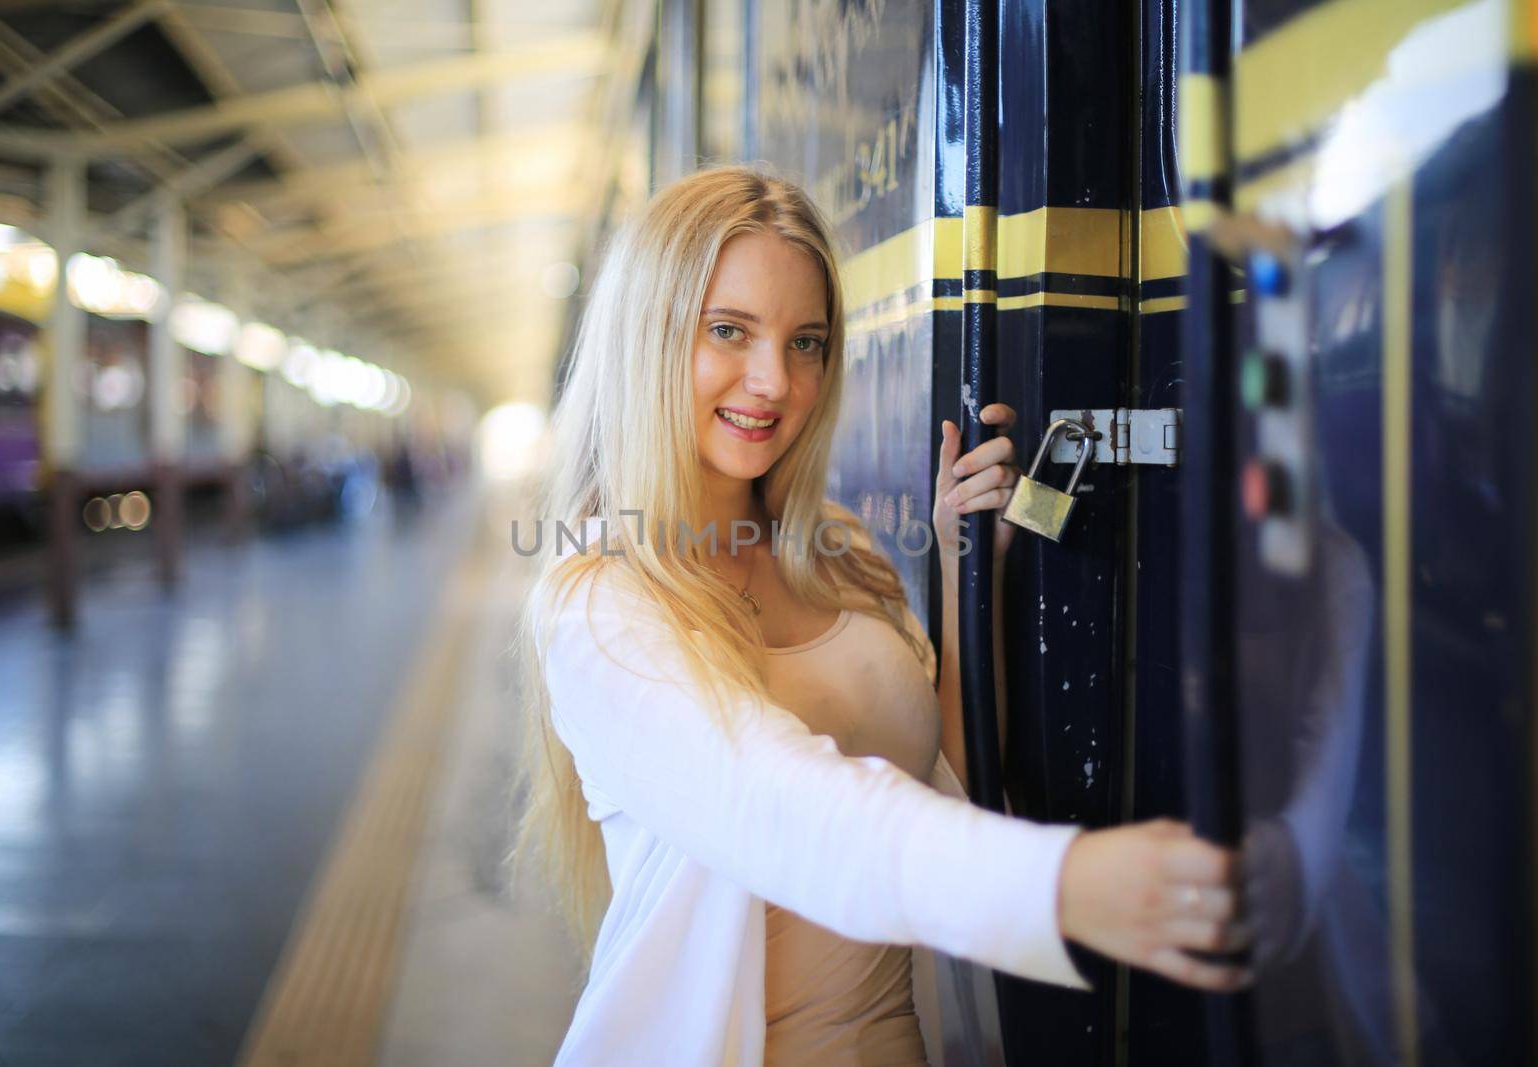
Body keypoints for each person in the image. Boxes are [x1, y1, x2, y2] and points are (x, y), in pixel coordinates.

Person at [508, 164, 1249, 1066]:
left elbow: (945, 778)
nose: (774, 381)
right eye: (728, 331)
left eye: (807, 341)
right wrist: (1062, 884)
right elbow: (779, 806)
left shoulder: (835, 550)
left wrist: (960, 562)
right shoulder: (600, 603)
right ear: (648, 337)